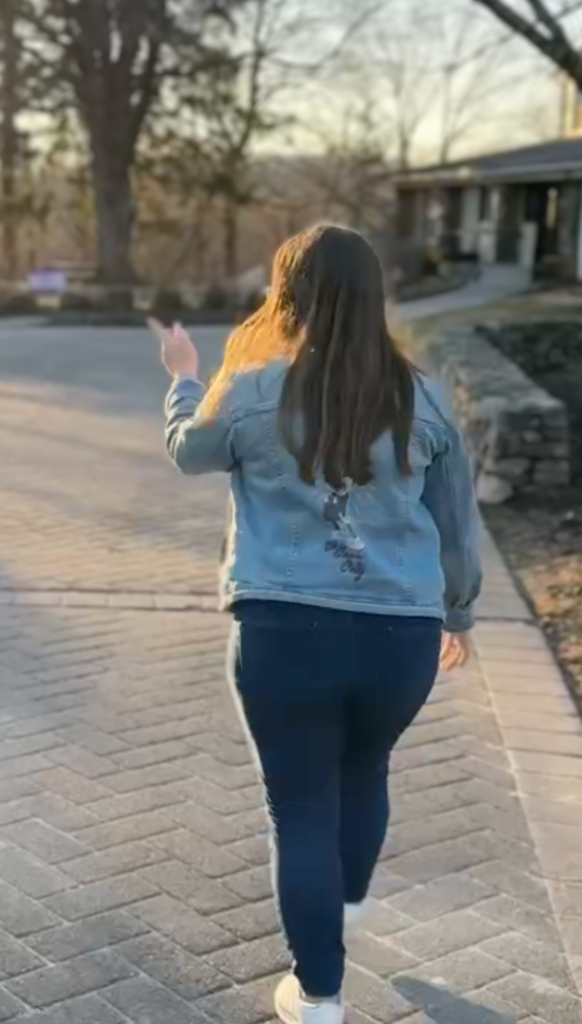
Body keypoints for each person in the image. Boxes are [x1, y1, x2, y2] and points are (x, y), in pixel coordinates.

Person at [150, 225, 481, 1024]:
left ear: (286, 296)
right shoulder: (425, 398)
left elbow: (189, 452)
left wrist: (185, 379)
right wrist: (458, 612)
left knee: (297, 806)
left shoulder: (254, 387)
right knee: (366, 771)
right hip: (398, 633)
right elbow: (455, 526)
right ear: (376, 299)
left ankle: (319, 995)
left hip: (281, 630)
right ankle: (348, 911)